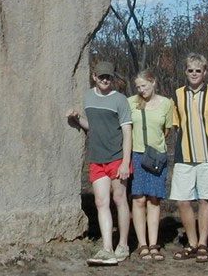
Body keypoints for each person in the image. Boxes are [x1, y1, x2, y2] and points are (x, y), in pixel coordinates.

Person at [66, 61, 133, 265]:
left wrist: (125, 163)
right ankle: (106, 248)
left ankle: (122, 245)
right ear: (94, 77)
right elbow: (92, 127)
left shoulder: (120, 100)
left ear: (113, 78)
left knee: (120, 200)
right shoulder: (88, 97)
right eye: (101, 76)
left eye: (108, 77)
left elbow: (128, 133)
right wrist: (78, 119)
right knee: (101, 202)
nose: (105, 80)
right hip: (96, 158)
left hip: (117, 157)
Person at [169, 53, 208, 263]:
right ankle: (191, 242)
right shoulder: (177, 95)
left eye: (198, 70)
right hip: (184, 156)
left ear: (205, 72)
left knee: (205, 199)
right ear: (185, 72)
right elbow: (174, 125)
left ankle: (202, 244)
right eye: (190, 70)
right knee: (182, 200)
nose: (194, 74)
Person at [128, 70, 173, 261]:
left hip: (156, 157)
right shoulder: (130, 103)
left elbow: (167, 130)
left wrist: (156, 148)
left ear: (153, 82)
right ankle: (142, 244)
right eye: (138, 87)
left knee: (154, 200)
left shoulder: (166, 104)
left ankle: (154, 244)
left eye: (144, 86)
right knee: (138, 199)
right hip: (137, 155)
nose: (141, 90)